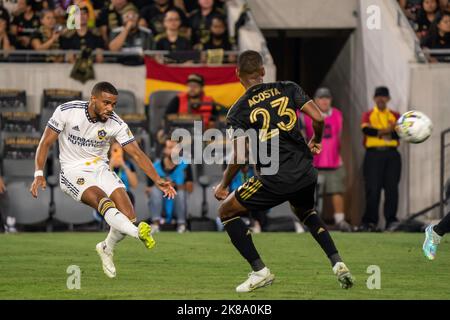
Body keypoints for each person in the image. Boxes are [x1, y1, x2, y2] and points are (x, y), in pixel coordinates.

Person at [213, 50, 354, 293]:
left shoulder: (237, 111)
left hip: (274, 178)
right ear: (263, 71)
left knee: (226, 210)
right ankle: (338, 262)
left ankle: (260, 272)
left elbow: (240, 156)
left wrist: (224, 184)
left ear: (237, 74)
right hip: (305, 171)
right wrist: (315, 140)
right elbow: (319, 118)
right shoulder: (288, 87)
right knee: (306, 211)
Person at [30, 81, 176, 279]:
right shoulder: (67, 111)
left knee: (128, 215)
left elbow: (137, 153)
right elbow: (45, 143)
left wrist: (157, 179)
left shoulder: (116, 123)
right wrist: (39, 173)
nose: (110, 108)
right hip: (73, 172)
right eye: (106, 103)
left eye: (113, 104)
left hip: (100, 170)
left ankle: (106, 247)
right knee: (104, 202)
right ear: (93, 99)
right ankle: (137, 233)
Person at [303, 87, 351, 232]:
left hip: (334, 161)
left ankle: (340, 220)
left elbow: (339, 136)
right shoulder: (306, 115)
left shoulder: (337, 114)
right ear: (315, 100)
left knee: (337, 190)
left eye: (327, 98)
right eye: (321, 98)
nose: (324, 101)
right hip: (314, 162)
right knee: (311, 193)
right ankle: (310, 220)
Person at [359, 86, 401, 232]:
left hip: (392, 155)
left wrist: (379, 132)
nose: (381, 99)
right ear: (374, 98)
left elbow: (400, 133)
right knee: (372, 188)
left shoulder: (395, 115)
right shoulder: (368, 114)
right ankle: (370, 221)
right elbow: (366, 130)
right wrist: (388, 130)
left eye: (383, 96)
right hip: (373, 154)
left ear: (388, 99)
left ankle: (391, 220)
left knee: (391, 188)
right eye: (378, 96)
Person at [146, 138, 193, 233]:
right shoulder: (155, 166)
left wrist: (175, 186)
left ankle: (182, 225)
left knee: (181, 193)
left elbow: (190, 189)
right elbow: (148, 190)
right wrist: (163, 186)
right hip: (161, 200)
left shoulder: (185, 165)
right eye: (170, 147)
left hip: (177, 201)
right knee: (155, 191)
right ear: (164, 150)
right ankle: (155, 224)